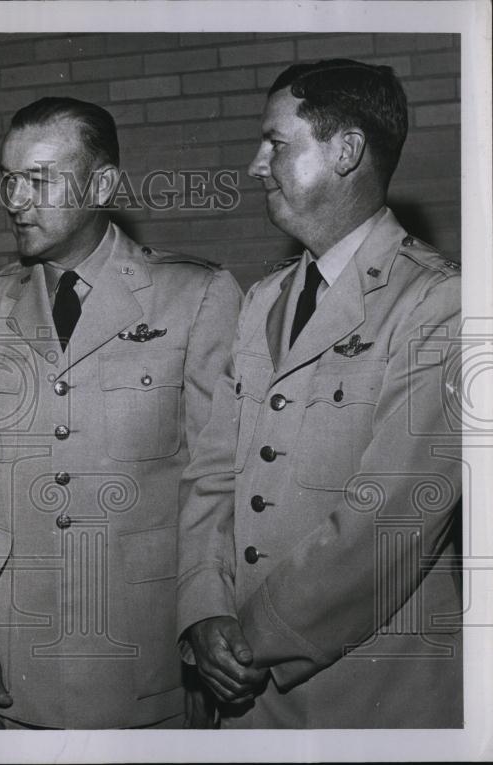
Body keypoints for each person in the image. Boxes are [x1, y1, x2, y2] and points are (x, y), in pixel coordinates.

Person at [0, 96, 242, 728]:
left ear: (102, 184)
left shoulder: (195, 296)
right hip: (17, 657)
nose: (15, 199)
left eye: (39, 180)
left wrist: (203, 621)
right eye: (8, 179)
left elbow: (216, 477)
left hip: (148, 649)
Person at [176, 59, 463, 728]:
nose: (255, 163)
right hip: (243, 693)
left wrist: (249, 637)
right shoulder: (264, 299)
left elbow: (391, 517)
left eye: (275, 142)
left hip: (366, 693)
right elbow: (210, 474)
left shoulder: (439, 302)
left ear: (347, 150)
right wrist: (201, 609)